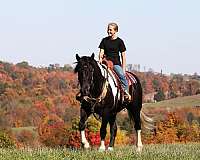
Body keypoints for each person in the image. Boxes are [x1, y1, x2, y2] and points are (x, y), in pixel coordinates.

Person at [98, 22, 131, 101]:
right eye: (108, 30)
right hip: (105, 62)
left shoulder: (120, 42)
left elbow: (123, 56)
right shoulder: (104, 40)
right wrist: (100, 59)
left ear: (115, 31)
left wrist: (123, 68)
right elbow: (101, 52)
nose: (108, 31)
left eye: (110, 30)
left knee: (122, 76)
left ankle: (126, 93)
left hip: (115, 63)